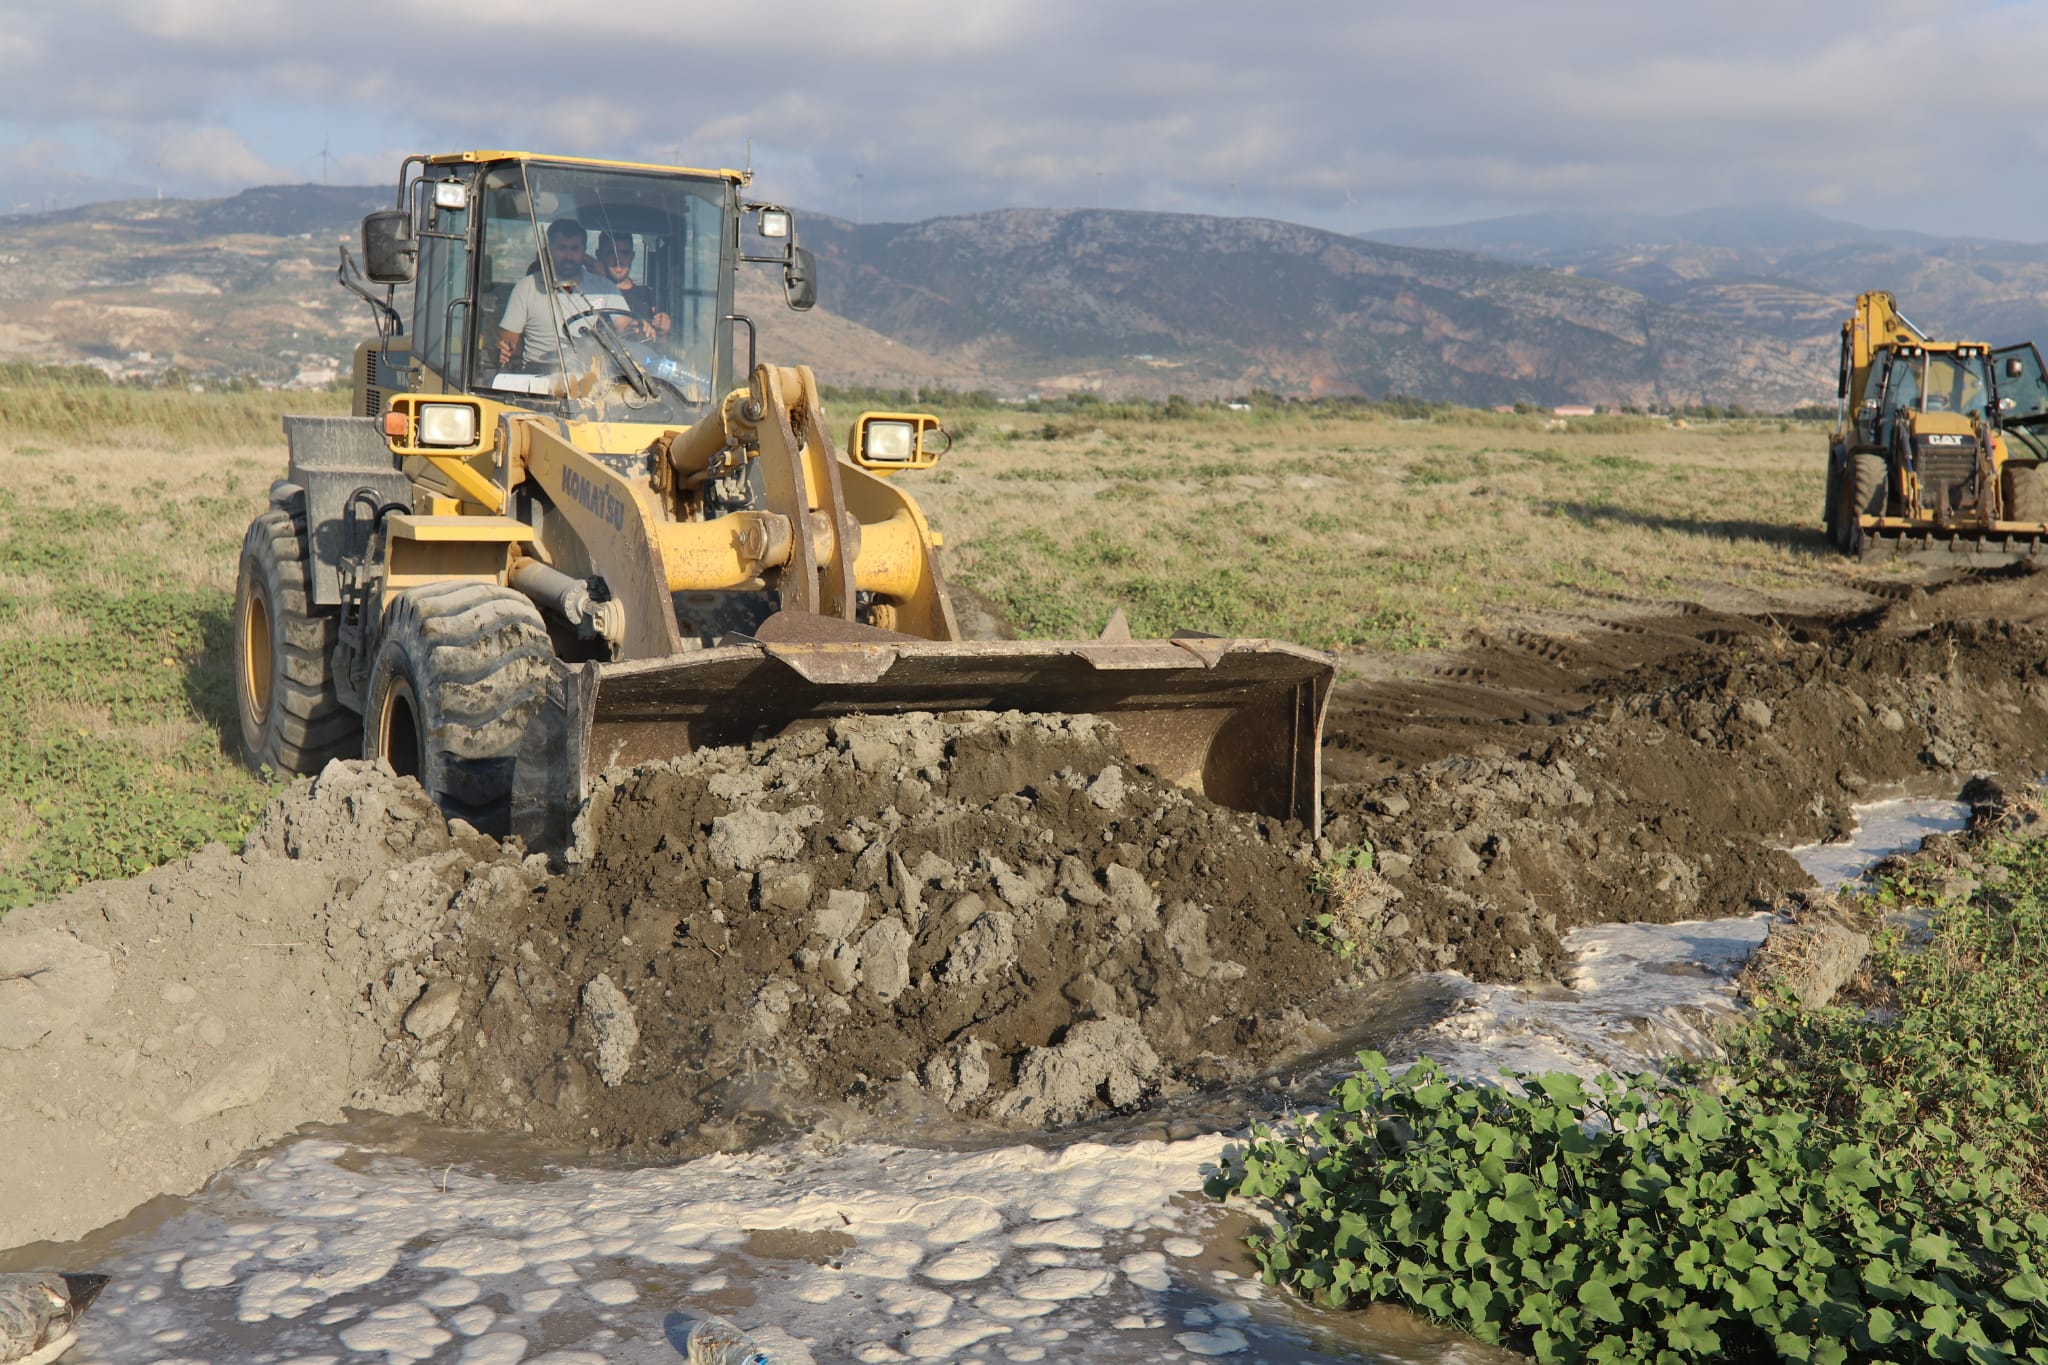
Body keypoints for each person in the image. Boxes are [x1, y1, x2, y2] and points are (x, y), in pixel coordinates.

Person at [496, 218, 639, 369]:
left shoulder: (604, 288)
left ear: (584, 252)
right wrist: (504, 348)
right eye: (562, 248)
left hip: (590, 378)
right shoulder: (527, 287)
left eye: (575, 249)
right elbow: (507, 340)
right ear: (549, 250)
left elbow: (625, 327)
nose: (568, 256)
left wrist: (639, 328)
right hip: (537, 375)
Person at [597, 232, 671, 337]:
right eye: (612, 253)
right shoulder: (590, 293)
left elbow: (663, 348)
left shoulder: (649, 296)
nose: (619, 260)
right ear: (599, 255)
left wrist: (663, 331)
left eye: (625, 253)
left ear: (632, 256)